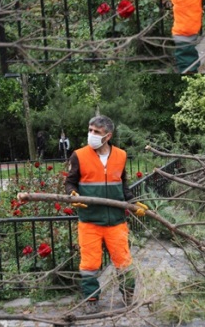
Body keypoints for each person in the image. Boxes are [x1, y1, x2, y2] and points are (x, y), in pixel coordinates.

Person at [64, 115, 149, 314]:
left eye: (97, 132)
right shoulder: (79, 155)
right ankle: (91, 299)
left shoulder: (120, 155)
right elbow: (70, 181)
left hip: (116, 220)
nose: (91, 135)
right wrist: (72, 194)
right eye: (90, 130)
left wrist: (133, 203)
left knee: (123, 262)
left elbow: (123, 184)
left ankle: (128, 294)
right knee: (90, 264)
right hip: (90, 219)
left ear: (108, 135)